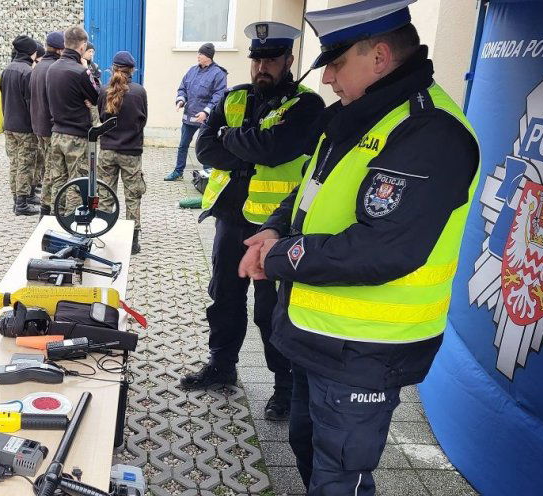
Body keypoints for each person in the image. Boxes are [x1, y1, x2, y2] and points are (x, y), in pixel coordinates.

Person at [238, 1, 480, 493]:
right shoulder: (357, 114)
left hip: (366, 349)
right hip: (318, 332)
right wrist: (274, 228)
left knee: (341, 474)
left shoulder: (429, 132)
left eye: (335, 63)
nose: (326, 79)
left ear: (380, 57)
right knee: (309, 449)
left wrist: (278, 256)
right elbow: (312, 189)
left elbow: (382, 248)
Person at [182, 22, 324, 424]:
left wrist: (234, 138)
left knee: (270, 310)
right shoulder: (235, 97)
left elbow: (276, 149)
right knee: (224, 295)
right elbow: (206, 150)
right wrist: (244, 144)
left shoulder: (307, 105)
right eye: (257, 59)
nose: (262, 66)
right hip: (230, 218)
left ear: (288, 61)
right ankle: (222, 365)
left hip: (274, 225)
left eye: (271, 60)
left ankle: (284, 387)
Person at [44, 25, 99, 214]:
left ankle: (55, 221)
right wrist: (87, 71)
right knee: (76, 184)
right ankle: (70, 225)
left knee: (58, 182)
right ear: (82, 46)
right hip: (77, 137)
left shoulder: (52, 69)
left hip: (57, 134)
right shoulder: (81, 72)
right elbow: (96, 97)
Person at [97, 51, 147, 254]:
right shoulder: (139, 92)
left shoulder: (103, 91)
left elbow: (102, 119)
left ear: (113, 68)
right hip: (131, 151)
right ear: (132, 70)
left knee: (105, 194)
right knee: (133, 195)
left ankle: (103, 237)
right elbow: (142, 121)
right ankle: (133, 242)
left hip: (108, 150)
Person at [165, 42, 227, 181]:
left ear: (208, 56)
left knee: (205, 146)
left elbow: (219, 95)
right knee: (183, 145)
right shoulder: (192, 71)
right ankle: (178, 171)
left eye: (201, 54)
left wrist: (206, 112)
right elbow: (183, 88)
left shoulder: (218, 73)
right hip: (189, 117)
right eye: (198, 53)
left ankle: (207, 174)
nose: (198, 56)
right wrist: (180, 100)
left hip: (206, 119)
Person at [1, 35, 40, 216]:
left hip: (9, 124)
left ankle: (17, 198)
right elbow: (31, 103)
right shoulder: (28, 72)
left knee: (15, 163)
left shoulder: (7, 69)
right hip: (24, 126)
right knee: (25, 163)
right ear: (31, 53)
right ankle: (22, 203)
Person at [30, 31, 64, 218]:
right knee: (53, 170)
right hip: (50, 127)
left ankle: (46, 208)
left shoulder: (38, 67)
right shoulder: (53, 68)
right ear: (60, 49)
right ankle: (47, 210)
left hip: (38, 125)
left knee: (47, 168)